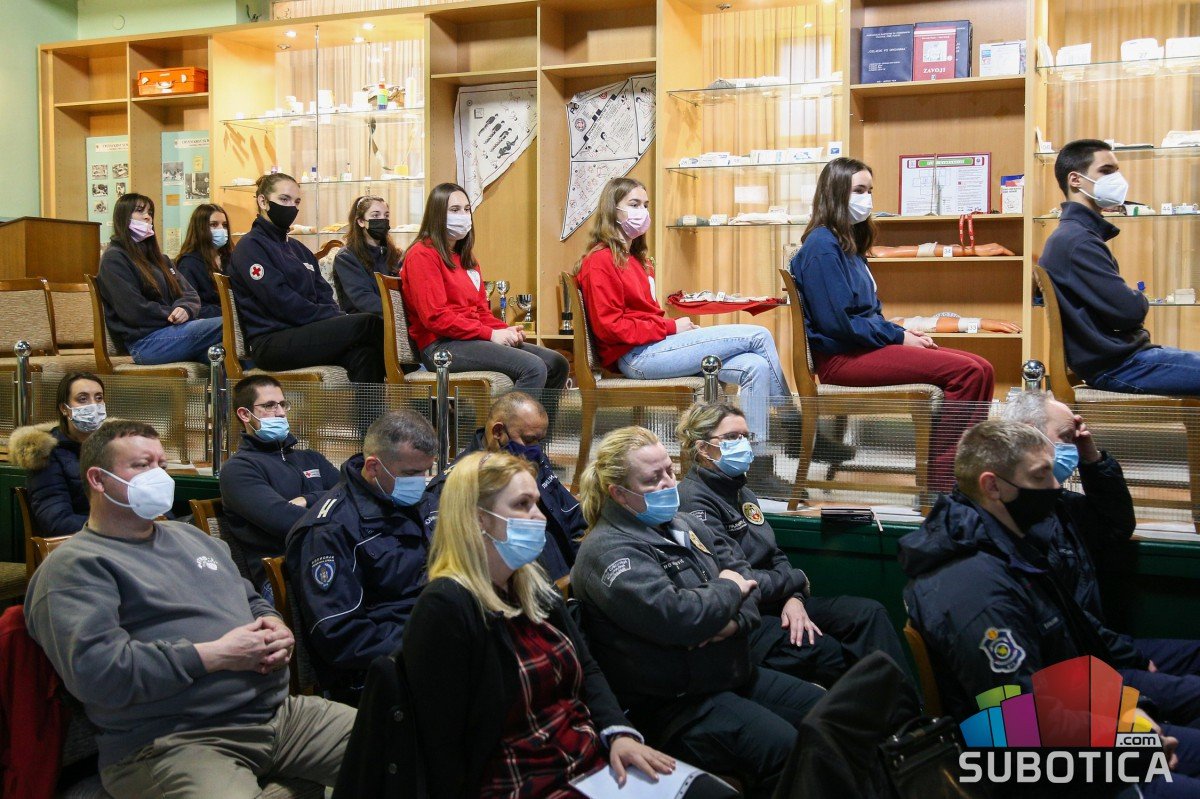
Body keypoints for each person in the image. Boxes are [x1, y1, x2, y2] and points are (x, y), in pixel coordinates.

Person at [24, 420, 355, 797]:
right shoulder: (75, 566)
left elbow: (249, 598)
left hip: (276, 714)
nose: (159, 475)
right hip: (174, 740)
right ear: (98, 480)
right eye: (142, 465)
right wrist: (216, 655)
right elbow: (98, 673)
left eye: (162, 464)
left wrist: (272, 623)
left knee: (395, 746)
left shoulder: (191, 537)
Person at [899, 420, 1200, 740]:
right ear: (993, 487)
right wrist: (1130, 740)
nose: (1056, 487)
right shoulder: (976, 592)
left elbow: (1063, 661)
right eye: (1040, 475)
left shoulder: (1013, 547)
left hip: (1079, 713)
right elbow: (1018, 725)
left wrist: (1132, 707)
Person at [405, 450, 677, 798]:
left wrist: (619, 732)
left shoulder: (533, 583)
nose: (539, 516)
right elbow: (442, 744)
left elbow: (587, 668)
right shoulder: (445, 606)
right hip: (521, 781)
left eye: (536, 503)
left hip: (587, 760)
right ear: (477, 518)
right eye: (522, 505)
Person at [571, 426, 825, 798]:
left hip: (731, 672)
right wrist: (727, 591)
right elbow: (681, 616)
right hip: (675, 705)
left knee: (828, 715)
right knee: (787, 750)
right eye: (652, 479)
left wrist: (729, 623)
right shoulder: (608, 552)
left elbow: (747, 584)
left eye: (669, 471)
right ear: (619, 494)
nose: (668, 483)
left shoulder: (683, 523)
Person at [575, 178, 795, 494]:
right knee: (759, 335)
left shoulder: (635, 259)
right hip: (637, 357)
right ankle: (793, 423)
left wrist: (677, 332)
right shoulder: (600, 261)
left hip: (656, 347)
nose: (642, 212)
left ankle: (756, 467)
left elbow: (644, 317)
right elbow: (610, 327)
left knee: (755, 367)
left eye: (645, 205)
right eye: (634, 205)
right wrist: (671, 328)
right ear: (613, 210)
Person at [790, 157, 995, 493]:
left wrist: (900, 333)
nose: (867, 199)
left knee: (983, 368)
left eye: (869, 190)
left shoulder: (847, 244)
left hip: (862, 349)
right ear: (835, 193)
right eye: (859, 190)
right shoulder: (823, 247)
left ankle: (964, 472)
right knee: (968, 373)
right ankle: (946, 485)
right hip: (843, 359)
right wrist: (897, 337)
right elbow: (839, 324)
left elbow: (866, 314)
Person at [675, 402, 909, 688]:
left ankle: (907, 710)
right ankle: (887, 709)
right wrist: (796, 581)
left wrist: (794, 598)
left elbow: (774, 554)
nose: (743, 444)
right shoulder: (694, 500)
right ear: (703, 448)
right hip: (749, 614)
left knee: (868, 614)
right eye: (732, 437)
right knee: (831, 652)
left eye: (746, 436)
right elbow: (737, 578)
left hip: (780, 599)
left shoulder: (742, 491)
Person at [1002, 391, 1200, 679]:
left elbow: (1115, 525)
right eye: (1066, 437)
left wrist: (1092, 458)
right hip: (1080, 665)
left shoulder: (1057, 503)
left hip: (1104, 648)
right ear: (1030, 436)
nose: (1072, 447)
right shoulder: (1017, 519)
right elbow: (1067, 618)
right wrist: (1135, 659)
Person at [285, 409, 437, 703]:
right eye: (411, 474)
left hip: (430, 636)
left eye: (426, 471)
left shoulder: (421, 503)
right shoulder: (330, 530)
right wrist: (428, 642)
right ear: (373, 467)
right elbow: (342, 636)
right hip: (377, 674)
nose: (421, 482)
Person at [1041, 138, 1200, 396]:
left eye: (1116, 171)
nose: (1117, 179)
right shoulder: (1077, 241)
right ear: (1075, 180)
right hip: (1121, 366)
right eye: (1106, 171)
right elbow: (1129, 311)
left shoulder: (1074, 236)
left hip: (1123, 360)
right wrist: (1138, 298)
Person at [401, 182, 568, 392]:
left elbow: (480, 311)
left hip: (469, 339)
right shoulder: (422, 254)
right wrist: (490, 334)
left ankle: (536, 416)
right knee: (533, 368)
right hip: (440, 346)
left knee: (557, 364)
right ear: (437, 215)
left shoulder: (466, 258)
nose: (463, 216)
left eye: (466, 209)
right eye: (454, 210)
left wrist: (503, 330)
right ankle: (507, 415)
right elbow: (435, 317)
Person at [230, 173, 385, 383]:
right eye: (284, 199)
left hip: (305, 332)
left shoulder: (298, 249)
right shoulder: (250, 247)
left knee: (365, 354)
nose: (291, 207)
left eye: (296, 202)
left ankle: (376, 406)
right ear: (263, 201)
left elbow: (324, 293)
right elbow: (282, 302)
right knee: (368, 323)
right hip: (272, 340)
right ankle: (410, 378)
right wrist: (332, 317)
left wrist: (333, 316)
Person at [425, 391, 582, 580]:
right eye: (529, 440)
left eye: (539, 441)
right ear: (498, 432)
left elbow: (572, 517)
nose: (536, 449)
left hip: (568, 577)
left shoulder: (531, 458)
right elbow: (457, 560)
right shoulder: (459, 484)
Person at [219, 375, 339, 596]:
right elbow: (288, 522)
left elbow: (354, 495)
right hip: (282, 577)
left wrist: (309, 499)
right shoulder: (239, 469)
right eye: (269, 405)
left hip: (332, 559)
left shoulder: (311, 458)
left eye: (283, 404)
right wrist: (336, 507)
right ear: (245, 414)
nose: (281, 412)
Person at [96, 193, 223, 365]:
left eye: (150, 212)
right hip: (144, 342)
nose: (147, 217)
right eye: (140, 211)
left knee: (230, 356)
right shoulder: (114, 258)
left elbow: (190, 294)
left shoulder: (161, 259)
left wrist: (185, 308)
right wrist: (173, 314)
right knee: (230, 324)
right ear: (123, 217)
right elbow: (134, 310)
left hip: (173, 332)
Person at [10, 372, 105, 535]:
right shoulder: (47, 454)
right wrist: (116, 528)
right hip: (83, 543)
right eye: (83, 399)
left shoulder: (114, 446)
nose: (93, 405)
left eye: (99, 398)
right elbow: (57, 522)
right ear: (64, 409)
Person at [333, 194, 402, 315]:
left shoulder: (395, 254)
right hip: (365, 320)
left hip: (395, 318)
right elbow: (363, 298)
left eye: (386, 215)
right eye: (375, 215)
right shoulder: (346, 257)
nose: (383, 220)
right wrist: (399, 312)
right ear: (361, 221)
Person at [176, 202, 232, 319]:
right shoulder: (188, 264)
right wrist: (227, 310)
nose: (221, 230)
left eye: (224, 225)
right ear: (200, 228)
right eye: (213, 225)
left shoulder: (229, 258)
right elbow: (191, 306)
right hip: (210, 322)